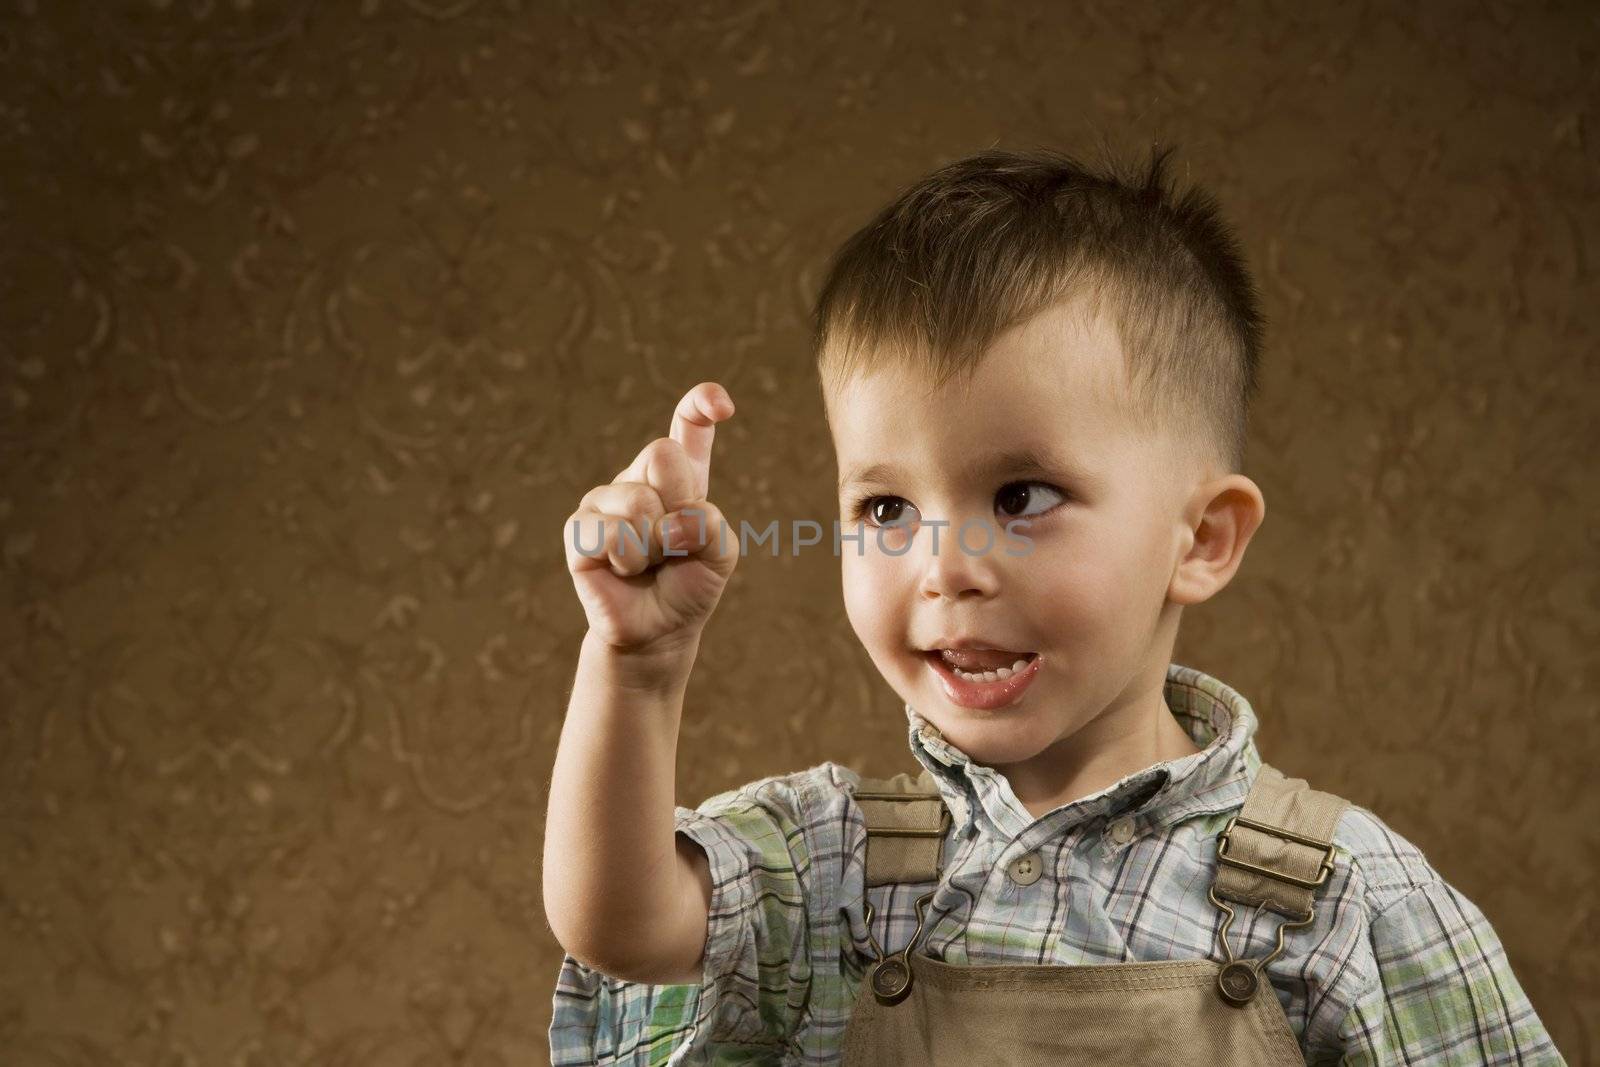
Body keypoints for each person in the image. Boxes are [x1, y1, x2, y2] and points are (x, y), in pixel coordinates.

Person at [543, 146, 1563, 1064]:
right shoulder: (828, 862)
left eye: (1021, 496)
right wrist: (635, 665)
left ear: (1200, 538)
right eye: (886, 504)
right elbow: (618, 920)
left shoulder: (1341, 898)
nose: (944, 565)